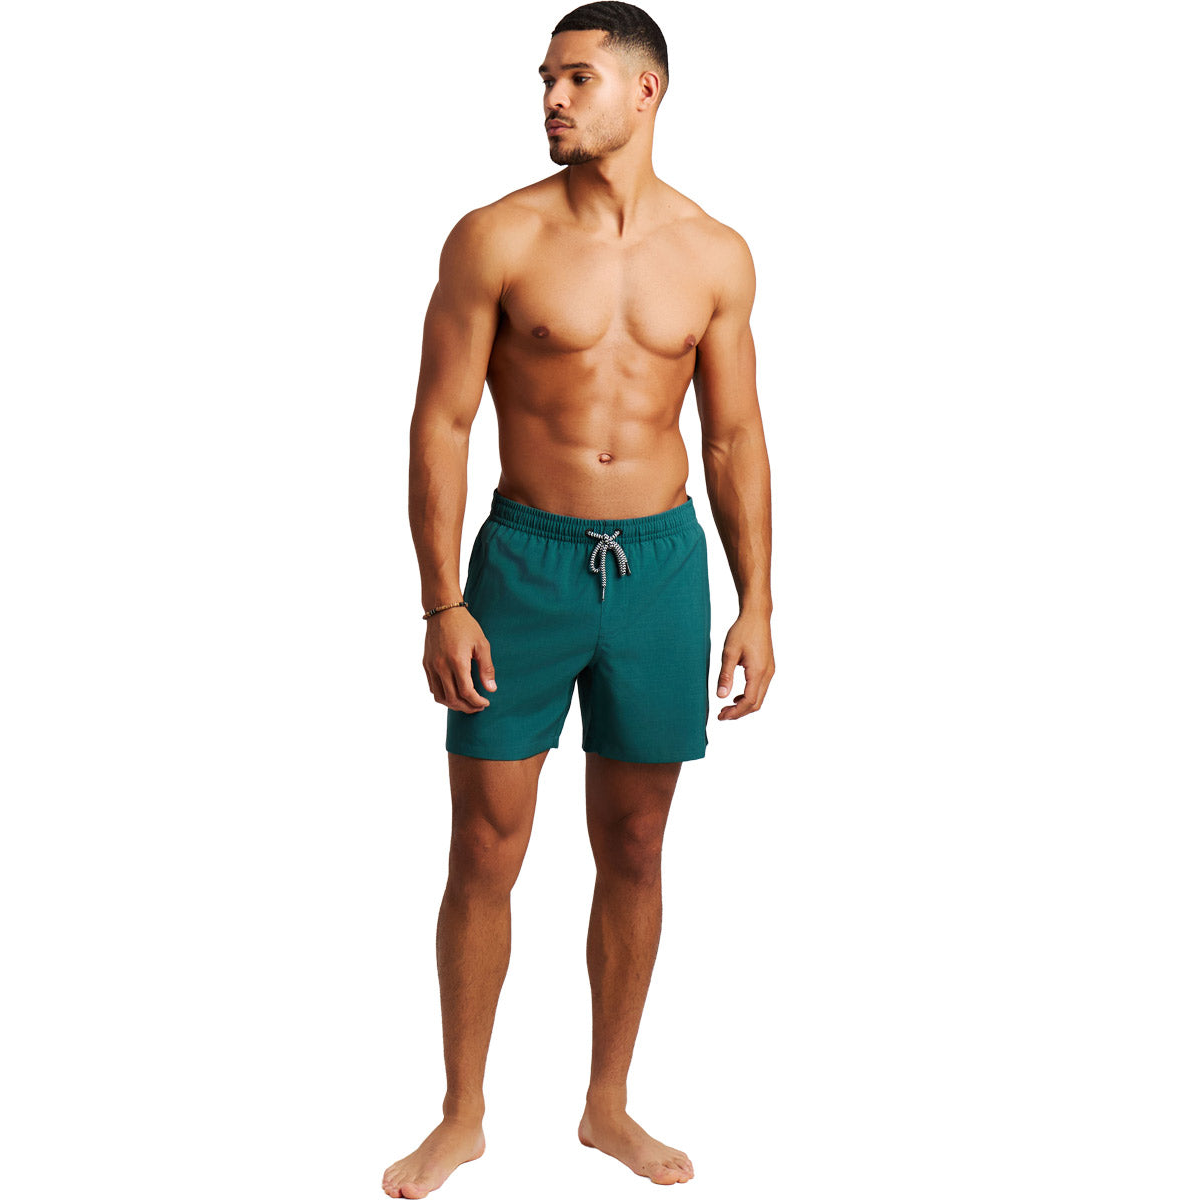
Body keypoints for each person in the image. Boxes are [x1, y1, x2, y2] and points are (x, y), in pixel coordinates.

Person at [390, 4, 773, 1195]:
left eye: (576, 79)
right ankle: (462, 1115)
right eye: (546, 79)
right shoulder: (495, 238)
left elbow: (735, 439)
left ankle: (607, 1105)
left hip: (661, 569)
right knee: (484, 844)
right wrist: (441, 600)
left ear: (645, 92)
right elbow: (442, 423)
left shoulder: (715, 254)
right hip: (526, 565)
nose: (551, 99)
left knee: (638, 843)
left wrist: (758, 602)